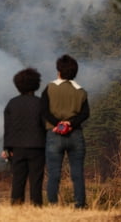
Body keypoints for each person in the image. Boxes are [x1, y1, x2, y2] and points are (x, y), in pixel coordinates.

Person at [41, 54, 89, 208]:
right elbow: (85, 113)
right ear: (75, 72)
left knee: (54, 173)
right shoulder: (81, 91)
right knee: (77, 173)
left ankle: (53, 205)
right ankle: (80, 205)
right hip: (75, 135)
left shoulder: (49, 88)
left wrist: (57, 123)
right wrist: (70, 123)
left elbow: (44, 111)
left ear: (59, 71)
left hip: (54, 134)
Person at [1, 68, 46, 206]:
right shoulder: (41, 103)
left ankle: (16, 209)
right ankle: (37, 209)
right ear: (36, 84)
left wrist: (6, 148)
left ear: (17, 85)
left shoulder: (12, 103)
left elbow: (7, 129)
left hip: (17, 148)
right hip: (37, 147)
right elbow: (46, 126)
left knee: (18, 181)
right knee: (36, 181)